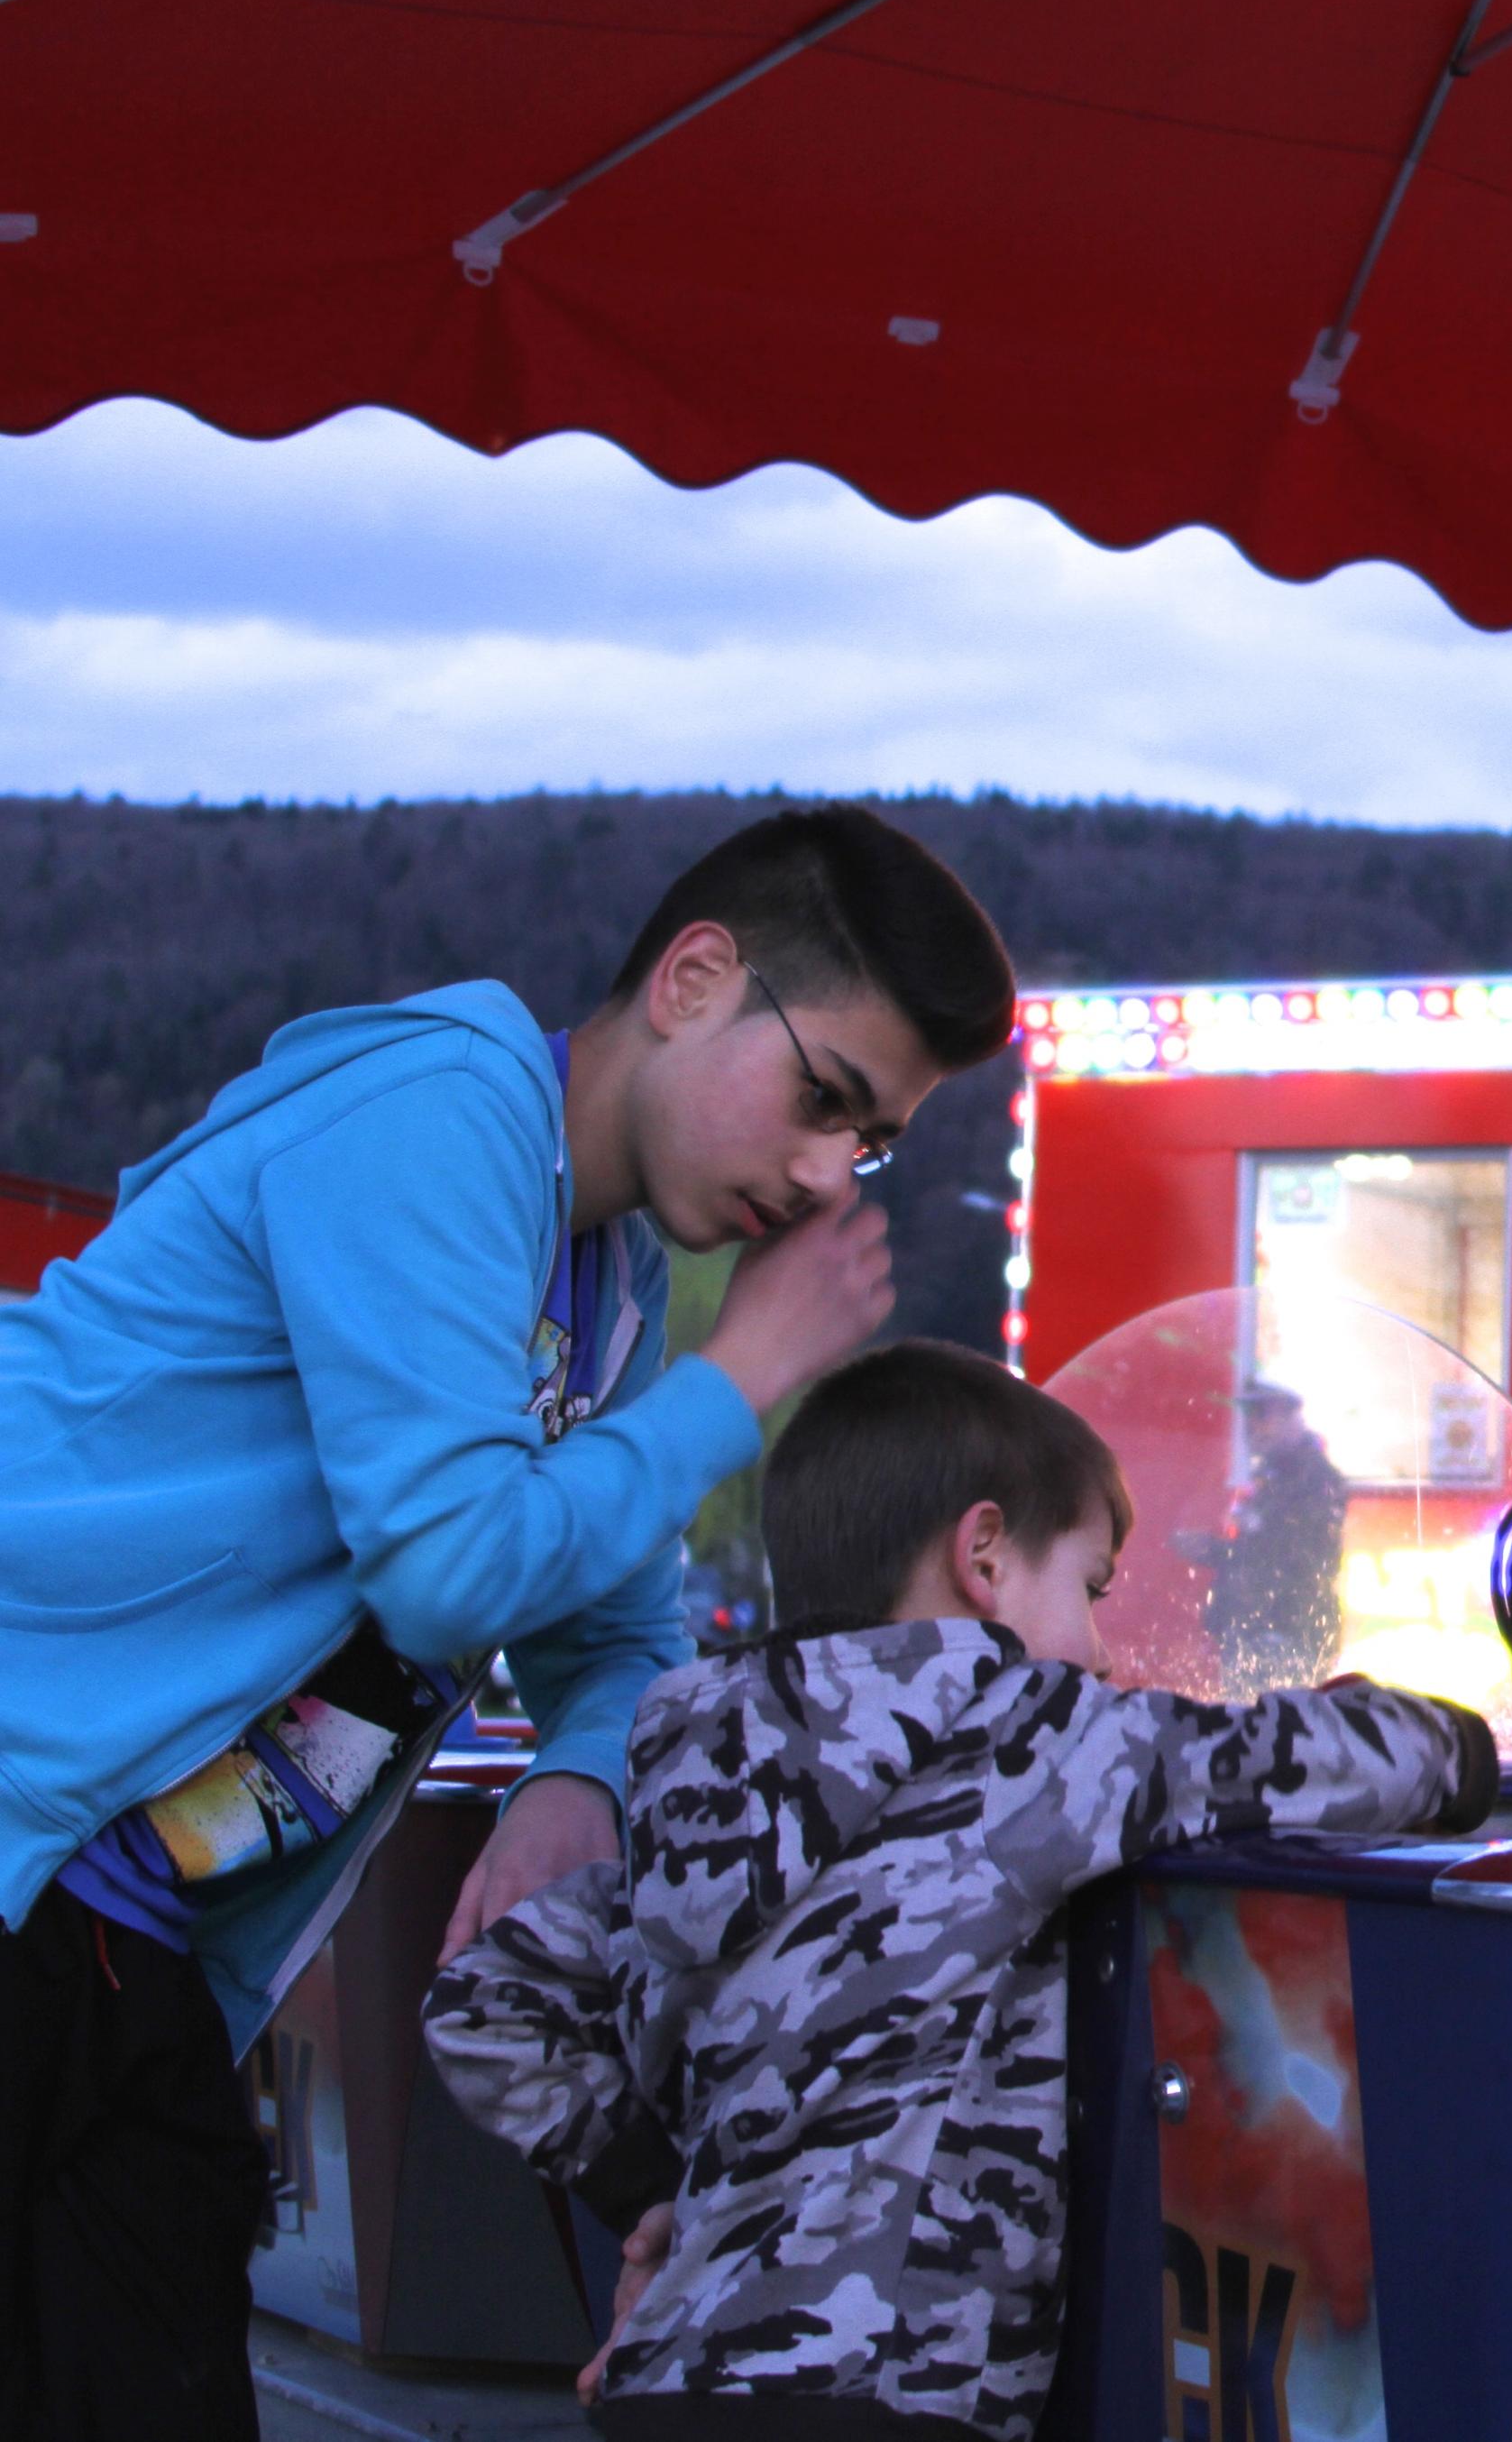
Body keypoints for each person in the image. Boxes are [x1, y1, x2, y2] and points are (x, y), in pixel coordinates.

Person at [0, 806, 1013, 2442]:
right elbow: (447, 1565)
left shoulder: (606, 1286)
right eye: (825, 1096)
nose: (830, 1173)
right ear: (693, 978)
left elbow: (618, 1637)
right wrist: (737, 1381)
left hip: (140, 1946)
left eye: (872, 1141)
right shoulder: (443, 1113)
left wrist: (579, 1775)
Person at [425, 1342, 1497, 2441]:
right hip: (885, 2397)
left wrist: (650, 2188)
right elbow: (1318, 1759)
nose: (1102, 1653)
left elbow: (486, 1999)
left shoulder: (696, 1783)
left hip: (670, 2390)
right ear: (983, 1556)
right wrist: (1454, 1745)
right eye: (1088, 1588)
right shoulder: (1016, 1735)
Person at [1178, 1382, 1353, 1698]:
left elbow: (1287, 1557)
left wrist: (1218, 1552)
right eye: (1249, 1417)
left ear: (1291, 1418)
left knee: (1270, 1722)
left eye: (1262, 1415)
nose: (1253, 1428)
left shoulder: (1313, 1479)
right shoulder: (1274, 1477)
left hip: (1285, 1631)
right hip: (1259, 1631)